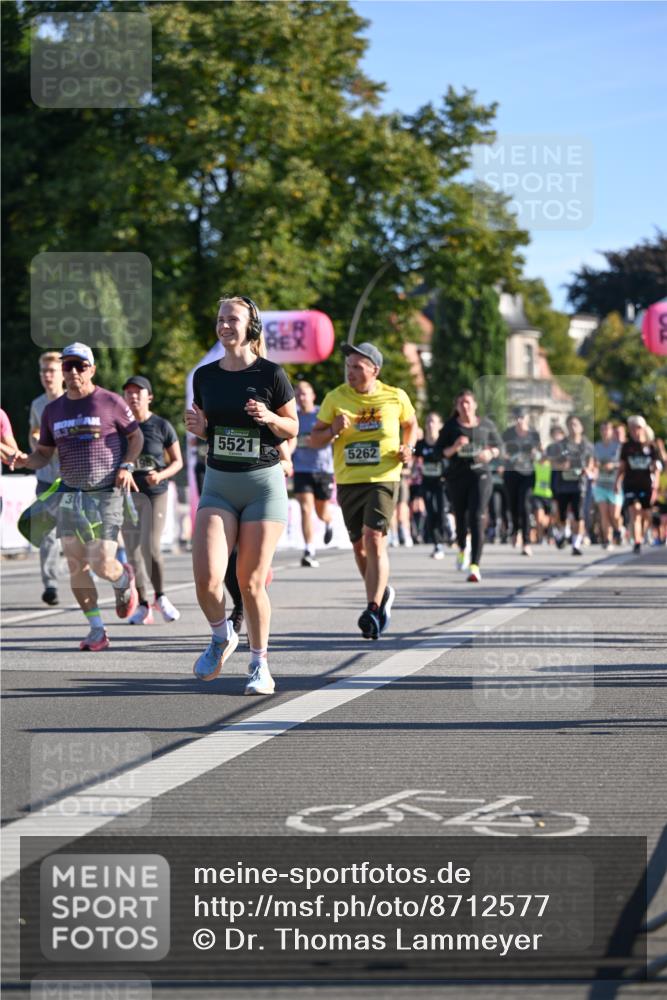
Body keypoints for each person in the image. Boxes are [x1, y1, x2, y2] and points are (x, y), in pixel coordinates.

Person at [185, 295, 298, 695]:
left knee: (249, 581)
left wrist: (270, 418)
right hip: (219, 483)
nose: (224, 325)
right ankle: (221, 636)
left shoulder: (271, 374)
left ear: (250, 327)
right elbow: (206, 428)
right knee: (207, 580)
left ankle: (259, 665)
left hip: (261, 485)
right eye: (220, 319)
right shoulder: (206, 376)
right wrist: (199, 427)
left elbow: (292, 427)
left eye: (232, 319)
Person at [11, 343, 143, 650]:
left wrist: (127, 465)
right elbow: (44, 453)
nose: (73, 372)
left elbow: (135, 437)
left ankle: (123, 578)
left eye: (79, 366)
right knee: (75, 564)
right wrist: (24, 460)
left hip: (106, 492)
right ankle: (97, 629)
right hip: (70, 494)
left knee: (100, 562)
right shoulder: (52, 410)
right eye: (68, 366)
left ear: (92, 369)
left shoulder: (110, 402)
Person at [310, 341, 417, 639]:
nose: (351, 372)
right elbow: (313, 440)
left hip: (383, 476)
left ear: (375, 370)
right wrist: (332, 430)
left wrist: (409, 447)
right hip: (348, 480)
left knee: (374, 539)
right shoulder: (336, 397)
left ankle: (372, 608)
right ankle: (381, 594)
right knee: (358, 546)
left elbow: (411, 424)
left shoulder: (395, 396)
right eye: (348, 367)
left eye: (357, 367)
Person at [122, 376, 184, 624]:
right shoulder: (121, 427)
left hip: (155, 493)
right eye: (128, 393)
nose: (133, 396)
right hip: (128, 494)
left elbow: (177, 461)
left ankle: (161, 597)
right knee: (132, 552)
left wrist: (161, 475)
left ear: (150, 397)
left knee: (151, 546)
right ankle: (143, 604)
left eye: (138, 392)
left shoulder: (161, 426)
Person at [438, 389, 502, 583]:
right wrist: (455, 447)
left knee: (477, 515)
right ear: (457, 407)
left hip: (481, 476)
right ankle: (462, 548)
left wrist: (490, 454)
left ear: (475, 405)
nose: (465, 406)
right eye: (461, 403)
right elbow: (439, 453)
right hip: (457, 478)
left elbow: (500, 446)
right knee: (460, 518)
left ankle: (475, 565)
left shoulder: (486, 425)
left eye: (468, 402)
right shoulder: (450, 427)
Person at [28, 352, 64, 605]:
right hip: (46, 478)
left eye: (52, 371)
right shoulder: (38, 404)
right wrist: (38, 442)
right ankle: (50, 584)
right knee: (47, 533)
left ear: (62, 373)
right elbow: (33, 436)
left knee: (81, 533)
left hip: (72, 478)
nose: (47, 376)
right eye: (43, 371)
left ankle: (92, 571)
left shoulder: (72, 401)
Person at [291, 380, 334, 568]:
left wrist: (316, 439)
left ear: (312, 396)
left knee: (320, 510)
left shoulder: (321, 415)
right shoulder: (293, 416)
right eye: (298, 394)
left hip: (323, 469)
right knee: (305, 509)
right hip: (301, 469)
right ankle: (309, 549)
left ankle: (328, 522)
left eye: (304, 393)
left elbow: (333, 436)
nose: (301, 397)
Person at [615, 415, 660, 555]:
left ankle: (644, 533)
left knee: (646, 514)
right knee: (634, 511)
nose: (635, 430)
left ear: (643, 428)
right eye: (632, 428)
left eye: (638, 427)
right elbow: (622, 467)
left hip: (646, 485)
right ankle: (637, 542)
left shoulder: (651, 447)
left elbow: (657, 469)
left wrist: (655, 487)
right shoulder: (627, 447)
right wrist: (617, 482)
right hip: (630, 484)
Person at [550, 414, 594, 556]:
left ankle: (576, 543)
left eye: (575, 424)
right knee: (562, 516)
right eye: (570, 425)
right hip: (563, 485)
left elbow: (592, 463)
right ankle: (563, 533)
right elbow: (552, 463)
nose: (572, 427)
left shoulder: (587, 446)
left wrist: (588, 470)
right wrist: (561, 465)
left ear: (581, 427)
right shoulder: (560, 445)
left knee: (578, 515)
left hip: (579, 486)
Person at [502, 408, 541, 556]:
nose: (519, 420)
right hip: (511, 473)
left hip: (528, 474)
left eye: (522, 417)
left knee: (525, 505)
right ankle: (515, 530)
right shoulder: (508, 433)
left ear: (527, 418)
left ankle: (526, 542)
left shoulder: (534, 435)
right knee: (512, 505)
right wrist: (506, 456)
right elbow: (500, 450)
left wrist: (535, 454)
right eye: (517, 417)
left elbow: (540, 452)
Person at [414, 411, 450, 559]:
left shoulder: (443, 442)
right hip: (427, 482)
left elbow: (450, 458)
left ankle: (448, 529)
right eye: (428, 421)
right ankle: (438, 544)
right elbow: (415, 460)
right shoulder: (421, 444)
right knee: (431, 512)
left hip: (442, 483)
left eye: (433, 421)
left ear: (440, 425)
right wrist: (414, 469)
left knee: (441, 512)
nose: (430, 424)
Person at [592, 421, 623, 549]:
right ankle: (607, 540)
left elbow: (622, 464)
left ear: (611, 431)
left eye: (607, 429)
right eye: (602, 429)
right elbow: (592, 463)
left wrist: (613, 465)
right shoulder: (596, 446)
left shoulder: (618, 447)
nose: (605, 432)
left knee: (614, 515)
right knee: (604, 513)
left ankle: (619, 531)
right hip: (600, 484)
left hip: (614, 484)